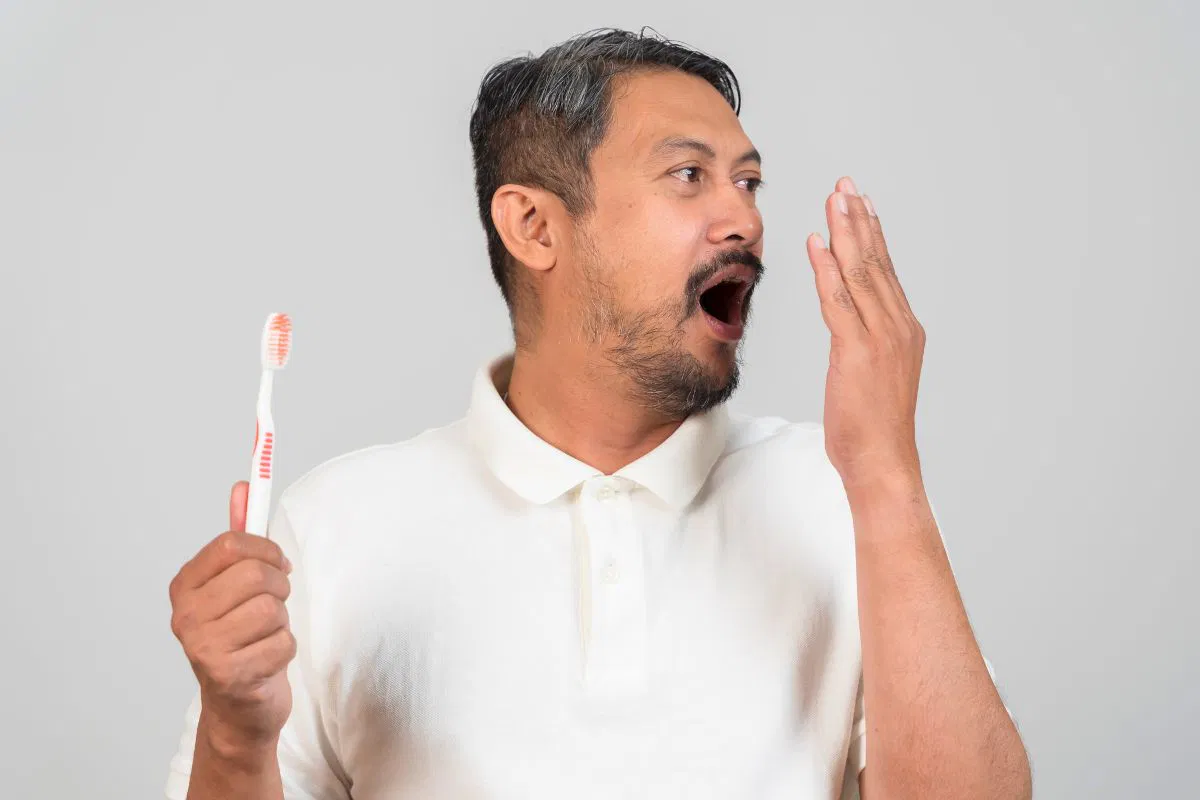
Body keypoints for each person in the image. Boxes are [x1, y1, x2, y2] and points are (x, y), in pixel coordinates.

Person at [165, 27, 1031, 800]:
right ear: (535, 227)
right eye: (689, 176)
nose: (744, 218)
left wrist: (885, 472)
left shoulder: (842, 496)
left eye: (749, 181)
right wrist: (236, 739)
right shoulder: (337, 526)